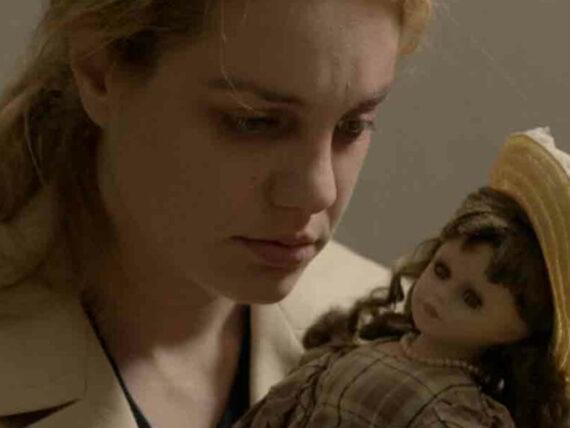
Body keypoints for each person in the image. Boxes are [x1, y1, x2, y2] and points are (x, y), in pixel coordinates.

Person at [0, 0, 433, 426]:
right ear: (100, 70)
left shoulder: (414, 343)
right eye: (254, 121)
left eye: (353, 125)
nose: (319, 192)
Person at [234, 183, 570, 427]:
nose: (441, 294)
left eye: (471, 299)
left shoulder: (459, 411)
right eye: (441, 271)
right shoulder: (365, 348)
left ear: (517, 331)